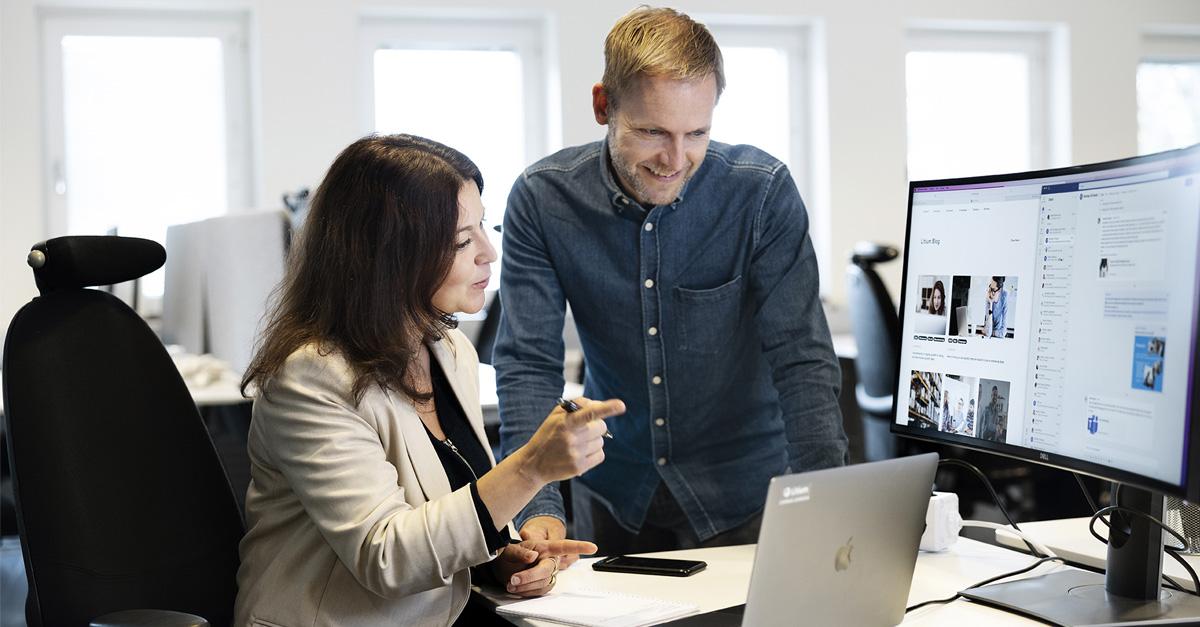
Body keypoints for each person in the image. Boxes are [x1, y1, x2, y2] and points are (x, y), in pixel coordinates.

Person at [494, 6, 847, 557]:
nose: (676, 159)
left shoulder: (761, 195)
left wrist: (826, 503)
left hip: (744, 496)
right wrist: (536, 509)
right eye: (652, 131)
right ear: (602, 105)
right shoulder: (544, 200)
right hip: (613, 491)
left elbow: (801, 359)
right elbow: (528, 362)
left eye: (697, 133)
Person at [234, 135, 626, 626]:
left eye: (482, 226)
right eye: (463, 240)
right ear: (391, 256)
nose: (489, 252)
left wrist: (497, 559)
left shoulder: (448, 350)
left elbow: (442, 516)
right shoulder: (311, 379)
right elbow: (387, 558)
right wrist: (530, 469)